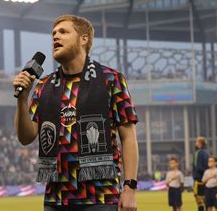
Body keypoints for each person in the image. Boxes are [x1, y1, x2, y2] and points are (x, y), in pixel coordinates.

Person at [13, 14, 139, 211]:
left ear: (84, 39)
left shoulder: (110, 79)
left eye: (63, 32)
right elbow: (26, 136)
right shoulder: (43, 85)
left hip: (100, 197)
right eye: (53, 33)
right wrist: (22, 99)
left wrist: (130, 188)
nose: (55, 36)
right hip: (56, 199)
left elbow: (128, 138)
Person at [192, 137, 209, 211]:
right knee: (204, 198)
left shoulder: (198, 153)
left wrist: (199, 175)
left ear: (200, 143)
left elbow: (198, 166)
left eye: (196, 142)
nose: (195, 143)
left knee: (198, 198)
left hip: (199, 178)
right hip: (205, 178)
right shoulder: (206, 152)